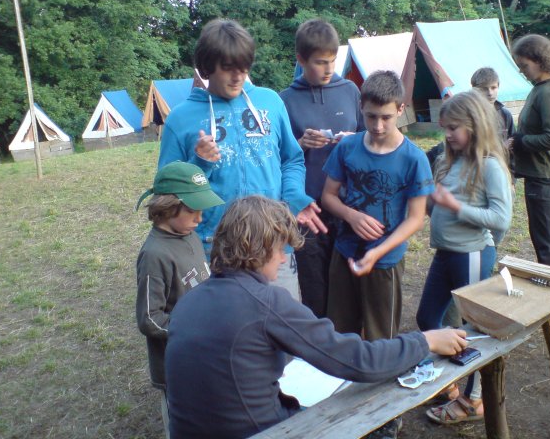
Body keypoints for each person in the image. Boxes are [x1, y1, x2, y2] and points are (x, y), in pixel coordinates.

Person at [164, 195, 468, 439]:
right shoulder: (265, 302)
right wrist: (425, 341)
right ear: (259, 249)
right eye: (280, 248)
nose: (283, 258)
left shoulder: (188, 302)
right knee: (371, 408)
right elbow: (359, 361)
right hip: (260, 431)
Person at [157, 18, 326, 300]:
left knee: (280, 321)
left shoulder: (270, 102)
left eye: (244, 68)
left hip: (274, 244)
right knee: (225, 325)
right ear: (207, 67)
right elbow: (166, 194)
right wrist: (200, 164)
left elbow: (291, 160)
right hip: (214, 251)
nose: (238, 77)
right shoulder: (181, 118)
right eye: (228, 68)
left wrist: (294, 197)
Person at [415, 90, 513, 425]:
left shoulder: (490, 166)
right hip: (445, 253)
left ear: (474, 124)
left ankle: (474, 400)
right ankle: (450, 383)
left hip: (471, 254)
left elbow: (500, 219)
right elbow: (436, 204)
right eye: (444, 127)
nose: (446, 134)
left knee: (473, 330)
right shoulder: (450, 159)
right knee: (427, 317)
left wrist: (456, 207)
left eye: (453, 127)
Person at [321, 70, 434, 341]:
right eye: (371, 116)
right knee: (339, 331)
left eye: (386, 117)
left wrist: (378, 252)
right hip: (345, 253)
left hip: (385, 261)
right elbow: (328, 196)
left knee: (381, 337)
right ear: (361, 107)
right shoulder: (347, 147)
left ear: (401, 110)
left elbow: (416, 219)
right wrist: (351, 216)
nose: (378, 125)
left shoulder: (414, 159)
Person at [280, 18, 364, 318]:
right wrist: (301, 143)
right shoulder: (285, 101)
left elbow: (371, 140)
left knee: (349, 286)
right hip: (308, 211)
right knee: (314, 287)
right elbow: (277, 157)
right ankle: (317, 338)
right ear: (301, 60)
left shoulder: (351, 91)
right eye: (320, 62)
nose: (329, 69)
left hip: (348, 205)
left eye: (332, 60)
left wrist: (356, 140)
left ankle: (349, 337)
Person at [135, 161, 224, 437]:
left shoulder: (189, 235)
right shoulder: (155, 254)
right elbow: (149, 319)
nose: (200, 217)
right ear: (167, 207)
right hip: (176, 364)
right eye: (193, 210)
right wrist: (191, 330)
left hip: (202, 354)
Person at [510, 34, 550, 269]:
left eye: (524, 65)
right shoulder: (541, 88)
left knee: (549, 245)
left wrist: (520, 141)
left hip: (546, 178)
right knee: (543, 239)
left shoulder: (549, 93)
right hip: (540, 175)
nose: (522, 71)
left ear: (540, 61)